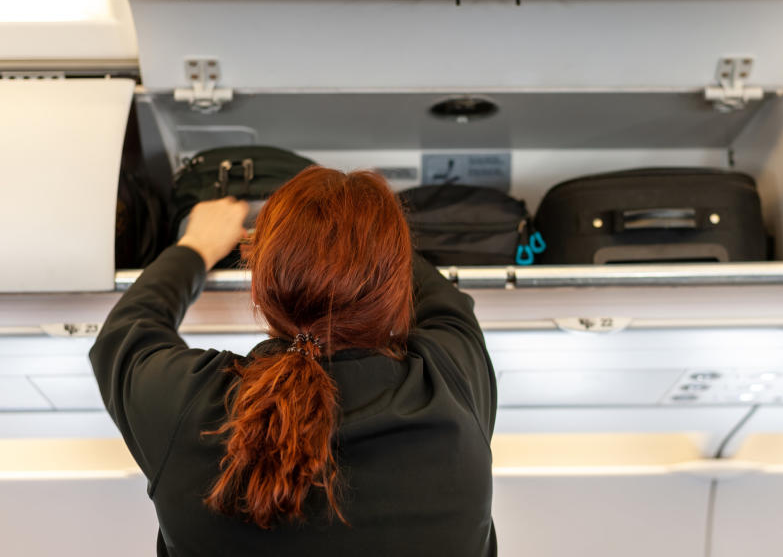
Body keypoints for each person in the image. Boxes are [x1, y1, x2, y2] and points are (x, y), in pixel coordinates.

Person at [90, 167, 497, 556]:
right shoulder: (451, 390)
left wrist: (195, 247)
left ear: (258, 284)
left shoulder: (190, 411)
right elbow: (448, 306)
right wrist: (364, 235)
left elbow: (127, 329)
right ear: (396, 285)